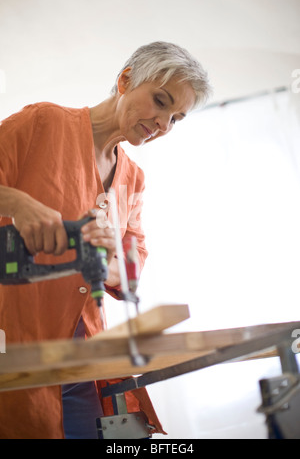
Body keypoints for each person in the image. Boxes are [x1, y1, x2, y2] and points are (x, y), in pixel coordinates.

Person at [0, 41, 211, 439]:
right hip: (19, 344)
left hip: (87, 358)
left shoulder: (133, 178)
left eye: (177, 118)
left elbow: (130, 266)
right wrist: (18, 202)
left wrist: (109, 253)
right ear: (125, 79)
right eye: (160, 101)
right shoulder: (43, 123)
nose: (164, 124)